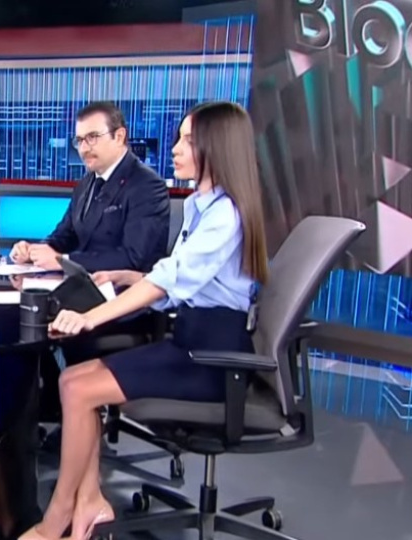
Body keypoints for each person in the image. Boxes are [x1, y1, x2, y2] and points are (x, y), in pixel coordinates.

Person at [18, 101, 270, 540]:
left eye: (188, 140)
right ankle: (90, 501)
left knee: (78, 388)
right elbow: (180, 281)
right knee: (72, 381)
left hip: (212, 358)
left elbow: (167, 280)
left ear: (218, 147)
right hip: (188, 339)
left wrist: (90, 317)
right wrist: (127, 277)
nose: (175, 149)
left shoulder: (225, 216)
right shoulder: (202, 206)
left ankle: (57, 519)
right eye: (179, 138)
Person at [10, 101, 169, 274]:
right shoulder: (85, 184)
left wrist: (63, 261)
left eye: (92, 137)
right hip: (82, 284)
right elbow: (65, 236)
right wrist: (34, 251)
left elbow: (135, 258)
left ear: (119, 136)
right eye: (79, 140)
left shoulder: (148, 185)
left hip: (126, 289)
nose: (84, 149)